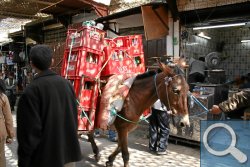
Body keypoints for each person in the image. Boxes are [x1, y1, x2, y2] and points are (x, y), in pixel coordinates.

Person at [16, 45, 82, 167]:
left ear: (32, 64)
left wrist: (23, 161)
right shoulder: (67, 85)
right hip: (68, 156)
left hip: (45, 158)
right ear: (52, 61)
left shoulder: (30, 91)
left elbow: (28, 134)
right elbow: (73, 117)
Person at [0, 79, 15, 167]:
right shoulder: (3, 97)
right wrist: (10, 135)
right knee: (1, 156)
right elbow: (8, 118)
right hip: (0, 132)